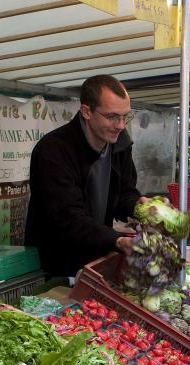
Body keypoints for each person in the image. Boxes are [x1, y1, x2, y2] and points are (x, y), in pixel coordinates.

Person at [26, 75, 143, 278]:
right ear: (86, 111)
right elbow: (67, 217)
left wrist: (141, 207)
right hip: (57, 264)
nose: (121, 125)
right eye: (112, 116)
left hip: (96, 258)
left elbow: (124, 193)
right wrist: (117, 240)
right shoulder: (54, 150)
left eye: (126, 116)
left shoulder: (120, 144)